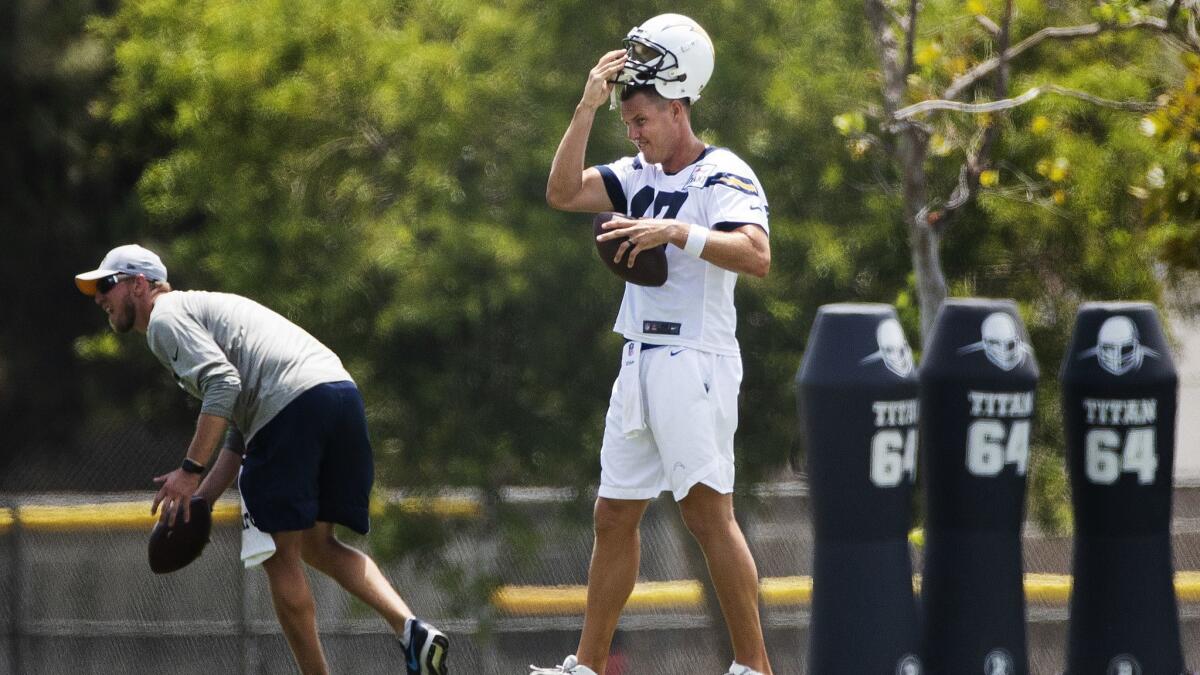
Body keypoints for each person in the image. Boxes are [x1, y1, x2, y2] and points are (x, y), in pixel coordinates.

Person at [75, 244, 449, 675]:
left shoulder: (164, 319)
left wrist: (189, 472)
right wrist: (203, 497)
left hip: (289, 408)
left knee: (277, 555)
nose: (99, 297)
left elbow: (223, 385)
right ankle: (412, 631)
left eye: (107, 285)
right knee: (316, 544)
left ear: (139, 285)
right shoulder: (201, 310)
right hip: (338, 394)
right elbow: (241, 422)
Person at [535, 13, 773, 675]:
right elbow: (560, 191)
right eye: (627, 123)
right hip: (637, 359)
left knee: (706, 514)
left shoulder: (721, 173)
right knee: (613, 513)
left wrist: (676, 235)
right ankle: (584, 666)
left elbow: (756, 254)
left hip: (694, 359)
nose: (633, 133)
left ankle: (754, 666)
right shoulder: (638, 172)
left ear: (676, 107)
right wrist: (586, 105)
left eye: (641, 121)